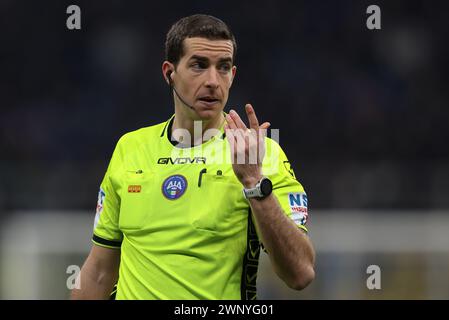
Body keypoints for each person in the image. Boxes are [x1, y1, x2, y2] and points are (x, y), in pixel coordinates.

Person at [71, 14, 315, 300]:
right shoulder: (131, 148)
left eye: (223, 68)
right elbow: (99, 270)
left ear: (233, 76)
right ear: (169, 73)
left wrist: (254, 182)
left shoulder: (261, 154)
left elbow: (300, 273)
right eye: (199, 65)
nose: (213, 81)